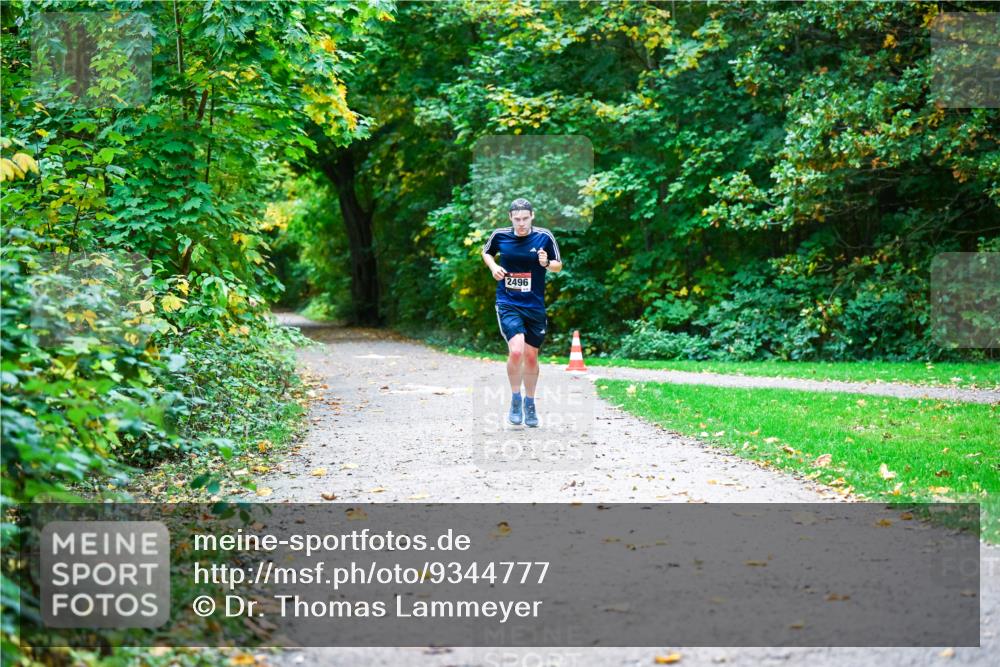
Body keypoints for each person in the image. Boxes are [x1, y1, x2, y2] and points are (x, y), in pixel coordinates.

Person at [481, 198, 563, 427]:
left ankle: (530, 403)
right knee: (516, 351)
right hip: (508, 302)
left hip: (534, 305)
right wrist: (494, 266)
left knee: (531, 356)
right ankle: (515, 399)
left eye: (525, 218)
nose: (521, 224)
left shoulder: (544, 237)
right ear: (510, 218)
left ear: (532, 216)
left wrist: (547, 263)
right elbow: (486, 252)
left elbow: (559, 265)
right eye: (517, 219)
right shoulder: (500, 235)